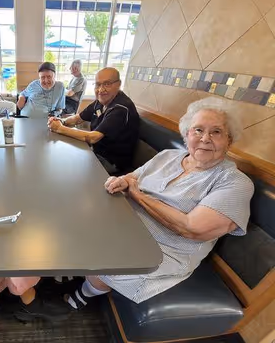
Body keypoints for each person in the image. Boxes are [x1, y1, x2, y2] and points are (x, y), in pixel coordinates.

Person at [62, 97, 254, 310]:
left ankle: (83, 294)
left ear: (230, 140)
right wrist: (122, 181)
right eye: (198, 130)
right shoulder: (169, 156)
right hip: (127, 222)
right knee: (76, 217)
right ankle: (77, 273)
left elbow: (191, 228)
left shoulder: (235, 183)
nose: (205, 138)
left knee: (107, 259)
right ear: (187, 134)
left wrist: (138, 196)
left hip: (164, 250)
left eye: (216, 132)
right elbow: (133, 177)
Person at [48, 67, 139, 175]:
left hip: (111, 163)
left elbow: (92, 138)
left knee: (62, 166)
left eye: (107, 84)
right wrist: (60, 121)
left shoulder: (121, 108)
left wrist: (59, 128)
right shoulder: (101, 101)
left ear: (118, 84)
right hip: (95, 153)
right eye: (98, 84)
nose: (101, 89)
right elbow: (77, 118)